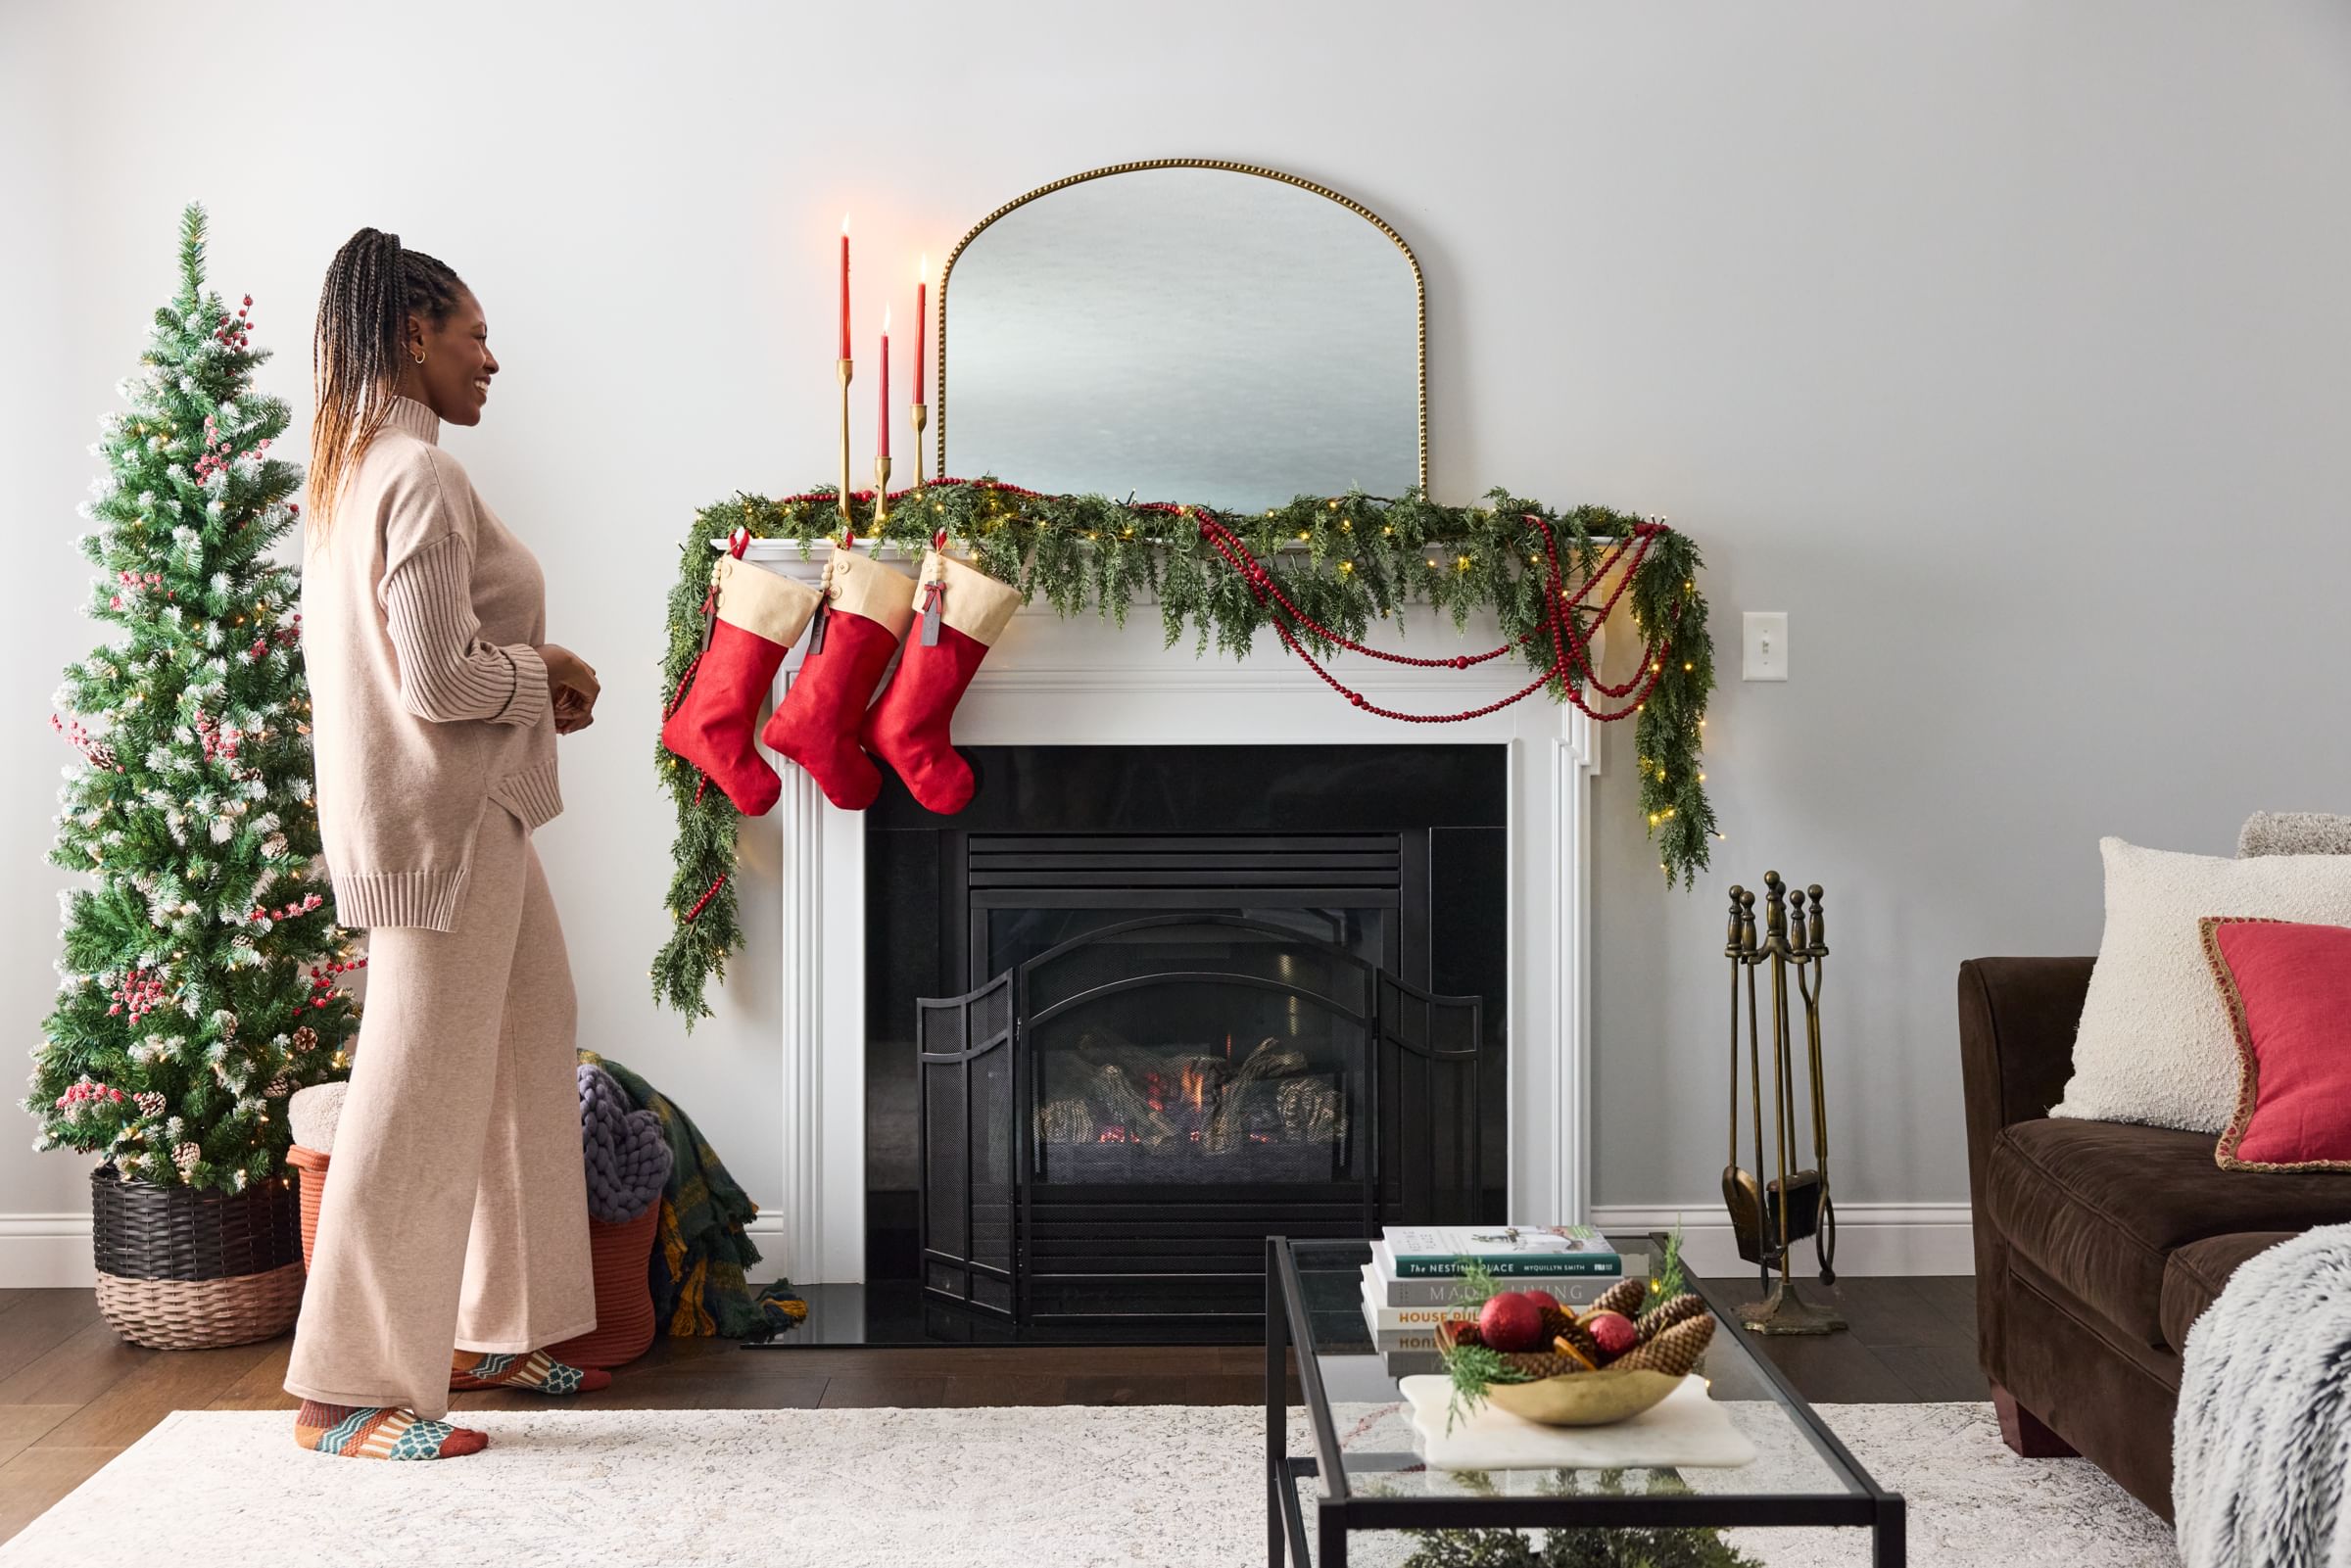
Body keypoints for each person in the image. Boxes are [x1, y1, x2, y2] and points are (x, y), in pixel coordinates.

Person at [282, 228, 605, 1460]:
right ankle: (346, 1389)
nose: (493, 359)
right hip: (443, 830)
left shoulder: (365, 466)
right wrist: (547, 670)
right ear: (413, 335)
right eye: (475, 335)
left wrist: (527, 687)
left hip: (475, 816)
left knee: (530, 1031)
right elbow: (438, 678)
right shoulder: (412, 477)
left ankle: (491, 1320)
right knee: (413, 1097)